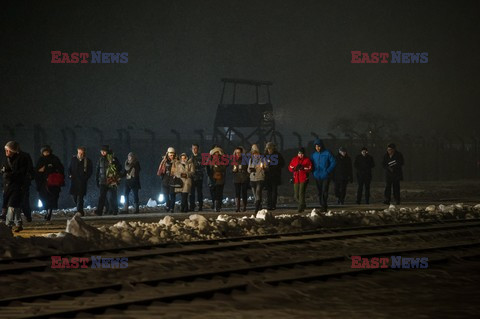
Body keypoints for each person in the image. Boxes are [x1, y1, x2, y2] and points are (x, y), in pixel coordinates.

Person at [2, 141, 29, 232]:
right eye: (6, 150)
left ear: (13, 151)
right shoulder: (8, 159)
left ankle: (8, 225)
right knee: (15, 205)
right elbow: (6, 170)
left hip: (18, 185)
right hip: (9, 185)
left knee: (12, 205)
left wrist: (9, 175)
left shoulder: (22, 158)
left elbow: (22, 172)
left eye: (8, 150)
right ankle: (18, 223)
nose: (6, 152)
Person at [35, 145, 64, 221]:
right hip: (43, 183)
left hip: (53, 183)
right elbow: (36, 171)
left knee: (52, 198)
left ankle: (49, 212)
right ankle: (47, 211)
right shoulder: (41, 160)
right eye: (44, 152)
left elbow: (60, 168)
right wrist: (40, 171)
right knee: (44, 198)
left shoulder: (54, 159)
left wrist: (53, 171)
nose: (46, 153)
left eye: (47, 151)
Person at [95, 145, 122, 216]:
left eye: (104, 151)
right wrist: (97, 180)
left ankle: (115, 210)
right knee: (102, 197)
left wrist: (114, 165)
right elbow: (97, 170)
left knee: (112, 197)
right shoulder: (100, 159)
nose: (102, 152)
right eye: (101, 151)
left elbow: (119, 167)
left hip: (111, 180)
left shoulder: (113, 158)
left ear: (107, 151)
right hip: (102, 181)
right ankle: (99, 211)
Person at [311, 139, 336, 212]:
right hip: (317, 176)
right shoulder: (313, 155)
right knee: (319, 191)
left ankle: (324, 205)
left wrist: (328, 171)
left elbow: (333, 162)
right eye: (316, 146)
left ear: (321, 146)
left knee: (324, 190)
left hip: (325, 175)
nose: (317, 148)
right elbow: (311, 164)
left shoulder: (327, 153)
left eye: (318, 146)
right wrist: (313, 172)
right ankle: (321, 204)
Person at [68, 146, 93, 216]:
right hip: (74, 181)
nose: (80, 154)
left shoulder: (87, 161)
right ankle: (80, 208)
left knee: (80, 197)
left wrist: (85, 178)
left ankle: (79, 211)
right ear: (77, 152)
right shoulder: (73, 159)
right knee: (74, 196)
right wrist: (70, 175)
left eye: (82, 153)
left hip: (82, 181)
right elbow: (69, 168)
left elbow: (90, 171)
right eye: (79, 153)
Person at [288, 147, 312, 213]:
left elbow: (310, 168)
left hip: (303, 178)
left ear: (304, 154)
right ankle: (303, 204)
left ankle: (300, 207)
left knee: (301, 193)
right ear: (297, 153)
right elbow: (290, 167)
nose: (300, 155)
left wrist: (303, 168)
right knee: (296, 195)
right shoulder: (294, 159)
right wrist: (294, 168)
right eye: (299, 153)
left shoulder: (307, 160)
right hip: (296, 178)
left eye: (302, 154)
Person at [264, 142, 285, 210]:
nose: (269, 150)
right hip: (267, 176)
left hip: (275, 176)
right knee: (269, 191)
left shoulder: (278, 155)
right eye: (268, 149)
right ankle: (269, 204)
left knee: (274, 191)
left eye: (270, 149)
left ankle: (273, 204)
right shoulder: (265, 156)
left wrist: (276, 165)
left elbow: (282, 164)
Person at [206, 146, 226, 212]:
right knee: (213, 193)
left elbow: (224, 168)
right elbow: (207, 169)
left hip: (220, 179)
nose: (216, 155)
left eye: (217, 153)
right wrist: (211, 175)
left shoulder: (222, 160)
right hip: (212, 179)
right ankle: (215, 204)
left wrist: (217, 167)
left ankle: (218, 206)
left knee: (219, 193)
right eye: (215, 153)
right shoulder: (210, 160)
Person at [248, 144, 267, 213]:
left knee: (258, 192)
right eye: (253, 154)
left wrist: (263, 167)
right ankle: (259, 205)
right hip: (252, 179)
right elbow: (248, 169)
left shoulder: (262, 159)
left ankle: (256, 207)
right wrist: (250, 170)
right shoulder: (250, 160)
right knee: (255, 194)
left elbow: (266, 167)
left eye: (256, 153)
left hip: (260, 178)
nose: (255, 155)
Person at [157, 147, 177, 212]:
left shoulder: (176, 162)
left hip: (173, 180)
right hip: (165, 180)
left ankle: (172, 208)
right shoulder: (164, 161)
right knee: (166, 195)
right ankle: (168, 204)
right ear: (168, 154)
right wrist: (162, 176)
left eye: (173, 155)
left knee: (172, 194)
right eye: (171, 155)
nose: (172, 156)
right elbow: (161, 170)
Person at [232, 146, 249, 212]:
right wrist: (233, 170)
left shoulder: (245, 159)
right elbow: (231, 169)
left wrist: (246, 174)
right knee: (237, 193)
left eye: (239, 152)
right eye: (236, 153)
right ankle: (237, 207)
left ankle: (244, 206)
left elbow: (248, 168)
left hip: (244, 178)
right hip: (236, 178)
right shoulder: (234, 160)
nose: (238, 154)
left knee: (244, 192)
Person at [188, 144, 204, 211]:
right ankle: (192, 206)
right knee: (191, 193)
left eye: (195, 148)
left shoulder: (201, 157)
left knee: (199, 192)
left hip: (199, 177)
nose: (194, 150)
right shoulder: (190, 157)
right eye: (193, 148)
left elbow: (203, 166)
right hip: (192, 177)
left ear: (198, 149)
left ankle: (200, 206)